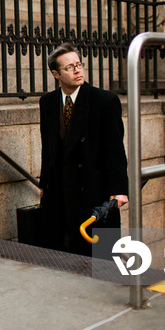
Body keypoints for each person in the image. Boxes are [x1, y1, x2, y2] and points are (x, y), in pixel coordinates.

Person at [38, 43, 129, 257]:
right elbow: (47, 147)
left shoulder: (105, 101)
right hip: (59, 190)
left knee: (102, 255)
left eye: (79, 64)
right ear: (56, 74)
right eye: (69, 67)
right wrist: (44, 183)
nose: (77, 70)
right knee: (60, 250)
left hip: (95, 190)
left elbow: (115, 150)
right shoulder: (48, 102)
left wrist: (119, 190)